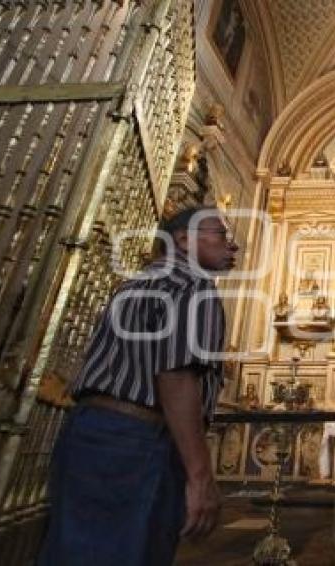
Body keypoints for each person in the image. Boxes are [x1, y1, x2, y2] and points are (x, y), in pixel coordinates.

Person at [38, 206, 238, 566]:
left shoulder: (132, 284)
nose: (233, 246)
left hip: (86, 432)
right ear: (183, 239)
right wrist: (200, 475)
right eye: (221, 235)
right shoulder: (193, 284)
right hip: (139, 443)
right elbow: (176, 375)